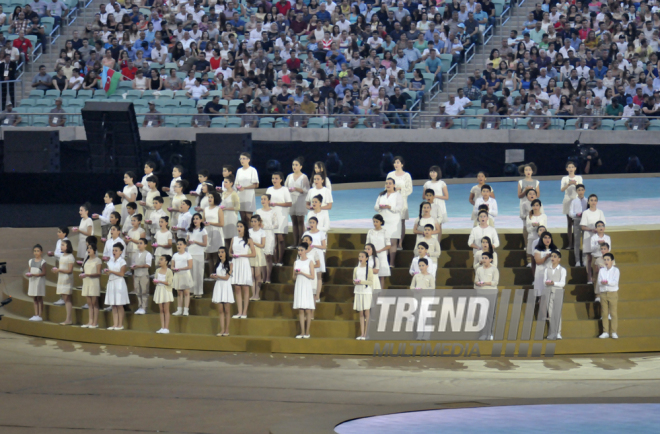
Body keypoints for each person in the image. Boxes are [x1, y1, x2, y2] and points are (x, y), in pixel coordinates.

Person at [374, 178, 403, 269]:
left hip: (394, 222)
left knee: (393, 242)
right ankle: (383, 263)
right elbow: (375, 207)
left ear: (394, 185)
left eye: (390, 183)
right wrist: (380, 207)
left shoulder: (398, 195)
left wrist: (390, 207)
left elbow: (399, 208)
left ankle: (392, 263)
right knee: (383, 242)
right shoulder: (381, 195)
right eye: (386, 183)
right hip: (383, 221)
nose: (388, 185)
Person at [229, 221, 255, 319]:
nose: (239, 228)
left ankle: (244, 312)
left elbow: (253, 254)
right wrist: (233, 255)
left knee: (245, 287)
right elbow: (230, 252)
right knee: (237, 288)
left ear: (244, 228)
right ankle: (239, 311)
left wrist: (242, 255)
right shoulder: (234, 239)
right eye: (238, 226)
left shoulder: (248, 240)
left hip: (244, 262)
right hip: (236, 263)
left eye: (241, 226)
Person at [386, 156, 413, 251]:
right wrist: (393, 190)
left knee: (401, 222)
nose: (396, 164)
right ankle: (392, 242)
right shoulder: (390, 174)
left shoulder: (407, 175)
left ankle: (400, 242)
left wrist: (400, 190)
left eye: (398, 162)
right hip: (392, 201)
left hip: (402, 201)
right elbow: (386, 187)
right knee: (392, 222)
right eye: (394, 162)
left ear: (402, 164)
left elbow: (409, 189)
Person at [266, 172, 292, 267]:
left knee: (280, 238)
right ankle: (274, 260)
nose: (274, 180)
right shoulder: (269, 189)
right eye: (273, 178)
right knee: (273, 240)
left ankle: (280, 260)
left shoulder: (284, 190)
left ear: (281, 179)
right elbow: (266, 201)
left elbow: (289, 203)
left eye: (276, 178)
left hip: (281, 216)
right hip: (272, 216)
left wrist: (276, 204)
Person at [580, 194, 606, 284]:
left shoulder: (600, 212)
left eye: (595, 200)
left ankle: (598, 277)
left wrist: (598, 231)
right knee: (589, 259)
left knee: (598, 258)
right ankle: (589, 278)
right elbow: (583, 227)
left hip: (598, 238)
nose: (593, 202)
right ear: (588, 201)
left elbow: (603, 225)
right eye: (591, 200)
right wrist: (591, 229)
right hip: (588, 237)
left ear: (597, 202)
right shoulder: (585, 213)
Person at [285, 157, 310, 247]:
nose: (294, 166)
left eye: (296, 165)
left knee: (300, 222)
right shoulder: (289, 176)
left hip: (300, 200)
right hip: (291, 200)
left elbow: (307, 190)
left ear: (300, 166)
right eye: (293, 165)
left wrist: (296, 189)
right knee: (294, 222)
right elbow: (285, 188)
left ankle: (301, 242)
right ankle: (295, 243)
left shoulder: (304, 177)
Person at [104, 243, 129, 330]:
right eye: (113, 250)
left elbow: (122, 274)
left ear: (121, 252)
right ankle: (115, 324)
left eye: (116, 250)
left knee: (119, 304)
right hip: (111, 282)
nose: (114, 252)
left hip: (119, 283)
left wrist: (111, 271)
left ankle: (120, 324)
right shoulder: (110, 261)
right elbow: (109, 273)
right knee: (113, 305)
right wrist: (107, 272)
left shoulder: (122, 262)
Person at [541, 250, 566, 340]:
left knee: (557, 313)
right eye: (552, 256)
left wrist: (553, 283)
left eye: (555, 256)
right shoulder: (547, 269)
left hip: (558, 292)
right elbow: (544, 281)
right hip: (548, 291)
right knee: (550, 313)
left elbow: (562, 283)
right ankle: (552, 332)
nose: (552, 258)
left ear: (559, 259)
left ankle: (558, 332)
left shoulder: (562, 270)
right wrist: (547, 283)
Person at [292, 242, 315, 339]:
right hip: (299, 285)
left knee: (308, 310)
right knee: (301, 309)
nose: (300, 252)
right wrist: (296, 274)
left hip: (306, 285)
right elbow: (293, 277)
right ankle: (302, 332)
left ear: (306, 250)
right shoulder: (296, 262)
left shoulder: (310, 261)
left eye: (302, 250)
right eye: (299, 250)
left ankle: (307, 332)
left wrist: (302, 273)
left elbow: (312, 276)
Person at [474, 251, 498, 340]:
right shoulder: (479, 269)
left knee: (490, 314)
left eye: (486, 258)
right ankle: (483, 334)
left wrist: (485, 283)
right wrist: (478, 283)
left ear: (490, 259)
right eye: (483, 258)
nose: (484, 260)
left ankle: (490, 333)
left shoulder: (494, 269)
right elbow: (476, 280)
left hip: (491, 293)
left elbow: (495, 282)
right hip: (481, 293)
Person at [211, 247, 234, 337]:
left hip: (226, 286)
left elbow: (227, 277)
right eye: (219, 252)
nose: (220, 254)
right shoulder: (217, 264)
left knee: (227, 310)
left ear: (225, 253)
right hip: (219, 286)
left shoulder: (230, 264)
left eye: (222, 252)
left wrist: (217, 276)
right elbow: (212, 274)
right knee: (220, 310)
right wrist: (213, 276)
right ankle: (222, 329)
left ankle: (227, 329)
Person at [560, 162, 582, 251]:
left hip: (576, 201)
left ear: (575, 168)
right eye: (569, 167)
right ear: (567, 169)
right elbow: (562, 189)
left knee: (577, 223)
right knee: (569, 223)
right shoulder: (564, 178)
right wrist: (568, 184)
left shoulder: (579, 177)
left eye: (572, 167)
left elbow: (581, 188)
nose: (571, 168)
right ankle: (570, 244)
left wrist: (575, 184)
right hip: (568, 201)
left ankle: (577, 244)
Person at [422, 165, 448, 237]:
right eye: (431, 172)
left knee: (438, 225)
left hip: (439, 204)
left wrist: (435, 196)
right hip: (430, 205)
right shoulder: (427, 184)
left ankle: (438, 243)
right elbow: (423, 196)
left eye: (434, 172)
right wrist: (430, 197)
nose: (432, 173)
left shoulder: (442, 183)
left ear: (438, 173)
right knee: (429, 223)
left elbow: (446, 197)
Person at [187, 213, 208, 300]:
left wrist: (195, 242)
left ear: (200, 220)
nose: (195, 220)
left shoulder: (203, 230)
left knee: (198, 273)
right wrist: (188, 242)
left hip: (199, 254)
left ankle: (199, 292)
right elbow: (187, 242)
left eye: (197, 218)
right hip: (190, 253)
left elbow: (205, 243)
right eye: (194, 219)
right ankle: (192, 291)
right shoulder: (190, 230)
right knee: (191, 274)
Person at [598, 253, 619, 339]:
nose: (606, 261)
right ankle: (605, 331)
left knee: (613, 313)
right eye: (605, 260)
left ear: (612, 261)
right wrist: (602, 283)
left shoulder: (616, 270)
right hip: (603, 293)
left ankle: (614, 332)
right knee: (604, 313)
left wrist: (607, 282)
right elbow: (599, 282)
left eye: (608, 259)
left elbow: (615, 282)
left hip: (612, 293)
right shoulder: (601, 270)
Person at [366, 215, 391, 288]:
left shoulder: (385, 232)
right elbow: (367, 243)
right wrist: (370, 251)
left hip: (381, 255)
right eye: (374, 221)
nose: (375, 223)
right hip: (371, 255)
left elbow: (388, 245)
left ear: (381, 222)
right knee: (371, 274)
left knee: (381, 276)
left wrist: (379, 250)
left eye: (377, 221)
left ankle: (381, 294)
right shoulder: (370, 231)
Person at [353, 251, 373, 340]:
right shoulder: (356, 269)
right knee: (361, 313)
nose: (360, 258)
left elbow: (370, 282)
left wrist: (361, 282)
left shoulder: (369, 269)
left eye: (362, 256)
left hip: (366, 291)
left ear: (367, 258)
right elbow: (353, 280)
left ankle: (366, 333)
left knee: (366, 312)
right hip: (358, 291)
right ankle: (362, 334)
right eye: (359, 256)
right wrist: (356, 282)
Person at [590, 221, 611, 302]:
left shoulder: (607, 238)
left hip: (605, 258)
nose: (601, 227)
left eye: (602, 226)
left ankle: (606, 293)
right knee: (596, 276)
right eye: (599, 226)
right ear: (596, 228)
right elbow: (592, 249)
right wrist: (598, 244)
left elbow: (609, 248)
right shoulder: (594, 238)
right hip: (596, 257)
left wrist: (604, 244)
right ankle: (597, 295)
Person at [517, 163, 540, 241]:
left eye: (529, 170)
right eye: (526, 170)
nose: (528, 171)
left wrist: (532, 193)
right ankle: (526, 244)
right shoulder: (521, 182)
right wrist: (525, 191)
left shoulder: (536, 182)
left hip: (533, 206)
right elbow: (519, 195)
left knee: (535, 223)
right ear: (524, 172)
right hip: (524, 205)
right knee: (525, 225)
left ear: (532, 171)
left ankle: (535, 242)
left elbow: (538, 194)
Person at [172, 238, 194, 317]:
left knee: (186, 293)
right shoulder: (175, 255)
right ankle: (179, 309)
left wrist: (180, 269)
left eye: (180, 244)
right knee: (179, 293)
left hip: (185, 275)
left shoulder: (188, 255)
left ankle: (186, 310)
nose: (179, 246)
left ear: (185, 245)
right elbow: (172, 265)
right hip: (178, 275)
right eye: (177, 244)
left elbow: (190, 266)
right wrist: (174, 269)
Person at [153, 255, 174, 334]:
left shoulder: (169, 271)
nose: (159, 261)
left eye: (161, 259)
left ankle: (166, 327)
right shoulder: (158, 270)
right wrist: (155, 282)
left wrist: (160, 281)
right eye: (159, 259)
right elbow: (155, 280)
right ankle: (162, 327)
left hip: (166, 290)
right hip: (159, 290)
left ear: (166, 261)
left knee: (166, 309)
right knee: (161, 310)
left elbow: (169, 282)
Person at [236, 152, 259, 222]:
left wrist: (244, 188)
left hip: (249, 196)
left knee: (249, 218)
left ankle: (250, 232)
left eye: (244, 158)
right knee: (243, 218)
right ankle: (244, 233)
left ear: (248, 160)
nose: (242, 160)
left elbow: (256, 184)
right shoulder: (239, 170)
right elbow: (236, 183)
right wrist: (238, 187)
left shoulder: (252, 170)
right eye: (240, 158)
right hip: (240, 196)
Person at [26, 244, 47, 322]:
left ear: (41, 252)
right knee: (34, 298)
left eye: (38, 251)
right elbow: (29, 271)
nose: (36, 253)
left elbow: (44, 273)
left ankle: (40, 315)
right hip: (32, 281)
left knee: (39, 297)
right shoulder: (30, 261)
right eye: (35, 251)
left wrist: (34, 274)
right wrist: (29, 274)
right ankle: (36, 314)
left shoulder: (43, 262)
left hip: (39, 281)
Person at [248, 215, 266, 301]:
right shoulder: (249, 231)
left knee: (257, 275)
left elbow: (262, 245)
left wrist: (253, 242)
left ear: (259, 222)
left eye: (255, 221)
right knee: (251, 275)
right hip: (250, 252)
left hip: (258, 252)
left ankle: (257, 294)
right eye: (252, 221)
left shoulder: (262, 232)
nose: (253, 223)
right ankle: (253, 294)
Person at [569, 184, 587, 266]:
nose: (580, 191)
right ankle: (577, 261)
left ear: (584, 190)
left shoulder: (587, 201)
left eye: (582, 189)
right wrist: (577, 214)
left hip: (585, 223)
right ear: (576, 191)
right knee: (577, 242)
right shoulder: (573, 201)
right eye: (579, 190)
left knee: (585, 242)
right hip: (576, 222)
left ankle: (584, 260)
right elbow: (570, 213)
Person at [526, 199, 547, 265]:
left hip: (541, 238)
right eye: (534, 205)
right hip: (532, 236)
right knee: (530, 251)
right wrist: (533, 226)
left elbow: (545, 228)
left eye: (537, 205)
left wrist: (539, 225)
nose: (535, 207)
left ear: (540, 206)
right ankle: (530, 263)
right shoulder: (529, 216)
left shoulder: (544, 216)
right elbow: (528, 230)